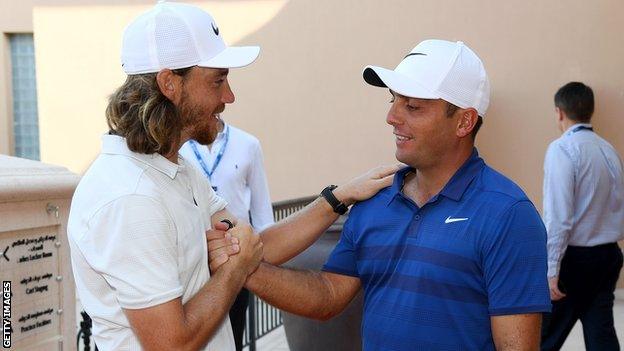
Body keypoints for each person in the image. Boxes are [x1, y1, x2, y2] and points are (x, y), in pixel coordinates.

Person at [67, 2, 397, 350]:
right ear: (169, 83)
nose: (229, 96)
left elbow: (257, 247)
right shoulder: (130, 197)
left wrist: (337, 198)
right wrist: (235, 269)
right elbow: (171, 345)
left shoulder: (175, 169)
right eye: (218, 81)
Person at [215, 39, 551, 350]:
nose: (392, 117)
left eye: (413, 107)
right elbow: (328, 295)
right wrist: (245, 268)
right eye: (394, 101)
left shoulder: (509, 215)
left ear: (464, 122)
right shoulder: (373, 201)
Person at [541, 82, 624, 351]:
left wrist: (551, 269)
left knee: (543, 337)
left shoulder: (562, 149)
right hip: (608, 255)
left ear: (559, 113)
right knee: (601, 334)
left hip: (575, 260)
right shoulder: (608, 150)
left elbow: (558, 216)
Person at [179, 118, 274, 350]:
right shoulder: (178, 147)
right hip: (192, 267)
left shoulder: (248, 144)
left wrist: (262, 268)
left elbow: (262, 214)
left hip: (235, 260)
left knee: (235, 336)